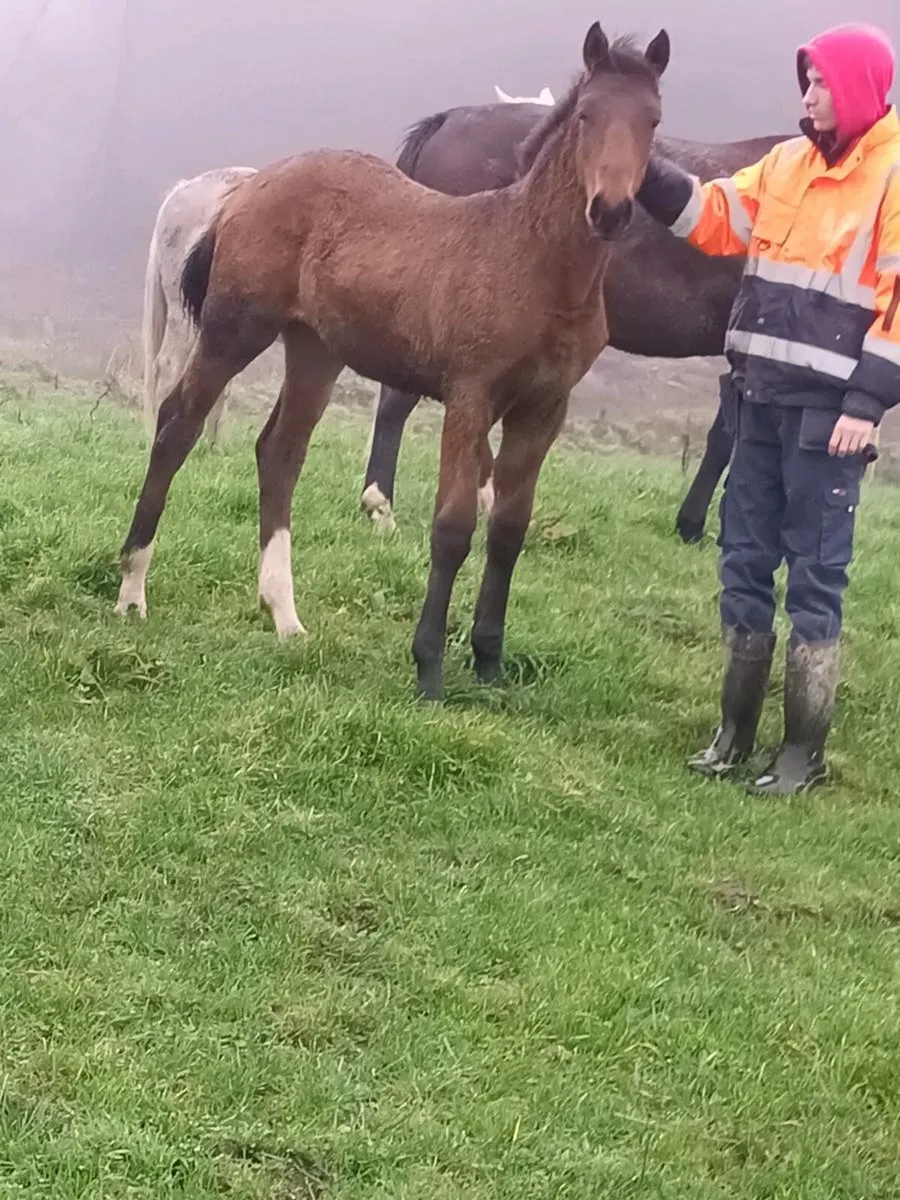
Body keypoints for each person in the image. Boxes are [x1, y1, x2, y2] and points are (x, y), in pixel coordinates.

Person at [636, 23, 899, 795]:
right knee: (743, 563)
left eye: (819, 83)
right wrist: (638, 165)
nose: (807, 95)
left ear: (852, 88)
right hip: (756, 399)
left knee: (815, 578)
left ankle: (802, 755)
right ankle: (734, 733)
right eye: (806, 81)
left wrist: (868, 402)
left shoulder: (891, 178)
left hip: (831, 416)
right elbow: (715, 217)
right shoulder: (784, 165)